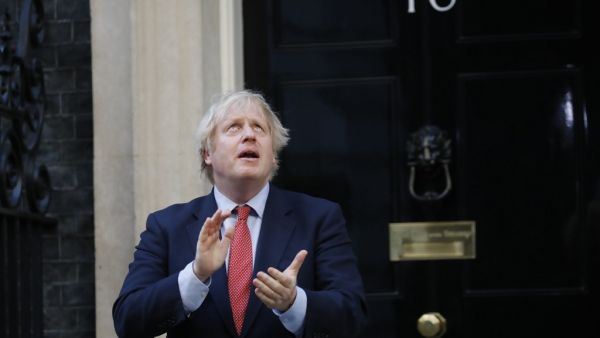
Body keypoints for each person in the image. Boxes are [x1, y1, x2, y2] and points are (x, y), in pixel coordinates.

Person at [113, 90, 367, 337]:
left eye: (259, 127)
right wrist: (196, 275)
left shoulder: (319, 218)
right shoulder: (167, 225)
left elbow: (352, 315)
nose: (249, 135)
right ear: (207, 153)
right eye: (234, 127)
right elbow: (128, 321)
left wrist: (294, 302)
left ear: (273, 154)